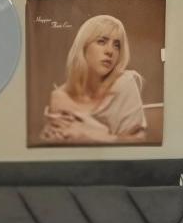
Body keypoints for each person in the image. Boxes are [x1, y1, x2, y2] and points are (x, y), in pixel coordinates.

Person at [42, 14, 149, 144]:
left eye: (117, 45)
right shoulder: (59, 97)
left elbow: (139, 144)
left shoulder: (125, 83)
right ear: (84, 47)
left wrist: (95, 136)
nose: (110, 51)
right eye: (101, 41)